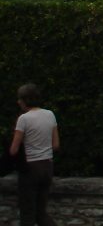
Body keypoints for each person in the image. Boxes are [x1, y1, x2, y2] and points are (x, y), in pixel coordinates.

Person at [9, 83, 59, 226]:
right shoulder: (50, 114)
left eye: (20, 99)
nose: (18, 102)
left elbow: (13, 150)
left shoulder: (24, 119)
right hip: (47, 166)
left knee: (27, 213)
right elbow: (55, 145)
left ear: (26, 100)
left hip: (30, 168)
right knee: (41, 213)